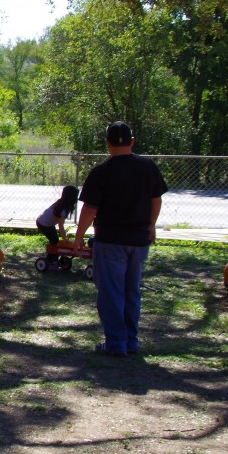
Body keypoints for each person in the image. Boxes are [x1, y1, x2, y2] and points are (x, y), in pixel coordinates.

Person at [73, 121, 167, 357]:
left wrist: (79, 236)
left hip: (110, 241)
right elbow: (157, 200)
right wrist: (151, 225)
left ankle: (116, 343)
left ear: (108, 144)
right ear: (132, 141)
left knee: (111, 293)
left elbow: (90, 209)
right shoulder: (148, 168)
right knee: (131, 291)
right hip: (139, 241)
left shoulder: (101, 172)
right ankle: (130, 340)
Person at [36, 185, 79, 268]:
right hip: (44, 224)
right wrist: (65, 240)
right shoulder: (63, 209)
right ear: (71, 197)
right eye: (76, 196)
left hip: (45, 222)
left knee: (55, 241)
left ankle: (54, 259)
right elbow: (60, 225)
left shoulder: (61, 204)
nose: (77, 199)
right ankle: (49, 261)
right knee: (56, 243)